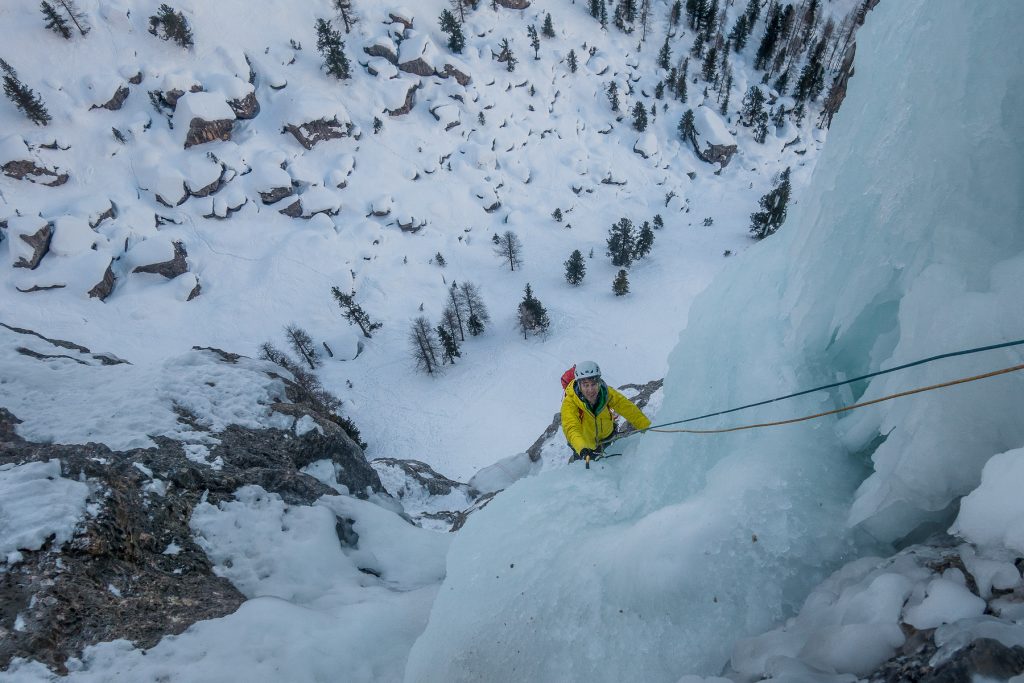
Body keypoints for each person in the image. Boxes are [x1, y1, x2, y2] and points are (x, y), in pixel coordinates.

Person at [561, 361, 651, 464]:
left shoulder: (606, 393)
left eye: (593, 384)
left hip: (607, 439)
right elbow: (571, 428)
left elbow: (627, 409)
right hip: (585, 448)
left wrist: (647, 427)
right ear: (579, 385)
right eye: (586, 385)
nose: (590, 390)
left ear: (599, 383)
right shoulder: (570, 402)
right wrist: (582, 449)